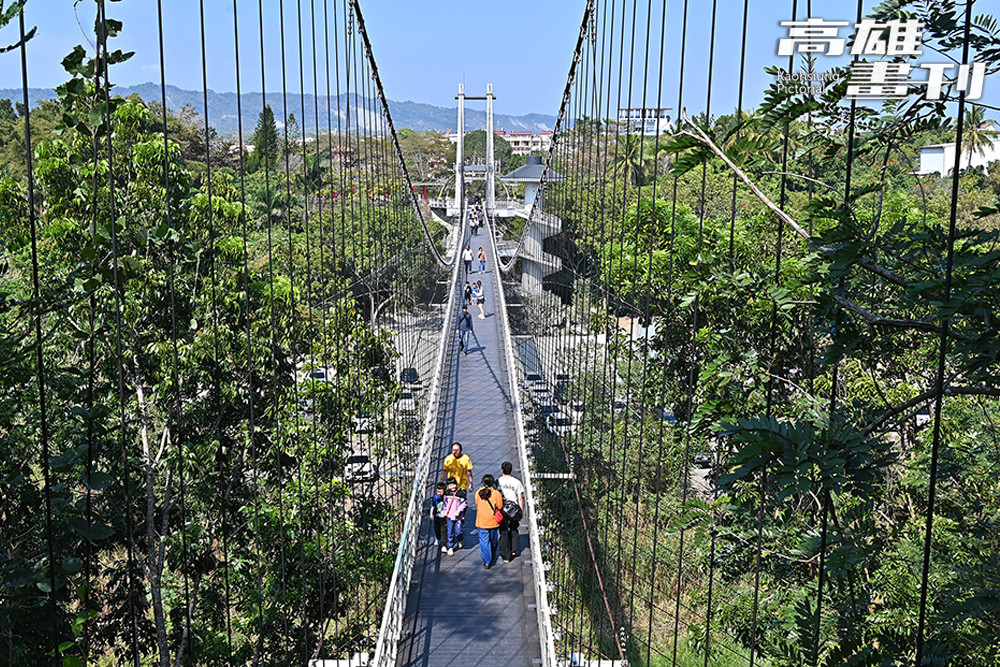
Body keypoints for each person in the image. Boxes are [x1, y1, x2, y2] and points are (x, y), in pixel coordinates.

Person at [497, 461, 526, 562]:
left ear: (502, 470)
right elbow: (520, 498)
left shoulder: (498, 481)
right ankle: (514, 549)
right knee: (514, 529)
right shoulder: (517, 482)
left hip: (502, 508)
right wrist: (521, 512)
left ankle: (505, 555)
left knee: (504, 531)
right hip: (513, 510)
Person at [475, 474, 504, 569]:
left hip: (482, 521)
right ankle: (493, 553)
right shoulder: (496, 494)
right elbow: (499, 507)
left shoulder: (478, 493)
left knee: (484, 542)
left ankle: (487, 561)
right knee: (493, 540)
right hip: (493, 522)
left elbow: (477, 505)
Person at [442, 477, 467, 555]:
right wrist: (444, 511)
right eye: (450, 485)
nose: (452, 487)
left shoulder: (461, 493)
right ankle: (450, 546)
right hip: (449, 515)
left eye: (453, 484)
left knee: (458, 531)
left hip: (458, 516)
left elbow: (464, 503)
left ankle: (460, 539)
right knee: (450, 532)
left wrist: (458, 511)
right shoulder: (447, 493)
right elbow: (445, 503)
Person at [430, 481, 447, 547]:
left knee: (443, 530)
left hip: (444, 517)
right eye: (437, 491)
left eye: (440, 492)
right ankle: (438, 538)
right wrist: (431, 514)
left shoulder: (446, 497)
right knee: (437, 529)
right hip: (436, 516)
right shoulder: (435, 497)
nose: (439, 493)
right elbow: (433, 506)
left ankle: (444, 543)